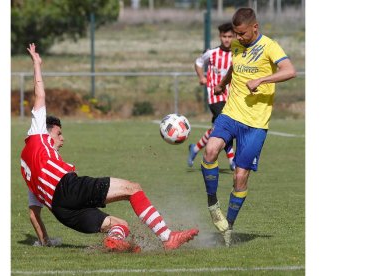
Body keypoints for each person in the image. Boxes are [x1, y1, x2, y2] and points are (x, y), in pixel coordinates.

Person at [20, 43, 199, 252]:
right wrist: (37, 65)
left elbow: (34, 213)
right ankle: (168, 237)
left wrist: (44, 241)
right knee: (133, 189)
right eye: (58, 134)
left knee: (120, 225)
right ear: (46, 129)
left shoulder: (27, 170)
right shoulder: (37, 132)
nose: (62, 139)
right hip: (67, 187)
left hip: (62, 212)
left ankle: (115, 242)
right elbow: (39, 94)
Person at [200, 8, 296, 246]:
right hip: (231, 113)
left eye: (241, 34)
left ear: (255, 27)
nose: (238, 38)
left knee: (239, 178)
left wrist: (262, 79)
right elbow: (235, 66)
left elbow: (290, 71)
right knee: (210, 151)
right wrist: (223, 83)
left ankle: (228, 228)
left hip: (255, 124)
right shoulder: (236, 45)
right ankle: (213, 204)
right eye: (235, 34)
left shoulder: (270, 47)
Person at [188, 23, 236, 172]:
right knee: (226, 126)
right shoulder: (212, 53)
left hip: (232, 96)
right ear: (220, 36)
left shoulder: (237, 54)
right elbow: (198, 62)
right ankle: (232, 160)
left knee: (217, 128)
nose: (227, 40)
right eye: (224, 36)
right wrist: (201, 77)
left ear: (234, 36)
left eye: (230, 36)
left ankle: (195, 148)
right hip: (215, 96)